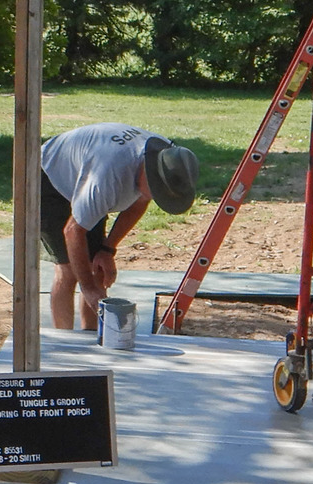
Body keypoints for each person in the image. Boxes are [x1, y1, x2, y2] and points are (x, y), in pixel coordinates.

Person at [39, 123, 200, 330]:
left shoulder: (167, 159)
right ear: (147, 173)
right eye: (156, 190)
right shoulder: (105, 179)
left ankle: (91, 339)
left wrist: (107, 249)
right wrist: (88, 289)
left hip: (88, 167)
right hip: (50, 172)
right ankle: (64, 342)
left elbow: (140, 201)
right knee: (69, 270)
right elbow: (73, 231)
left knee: (96, 267)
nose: (154, 197)